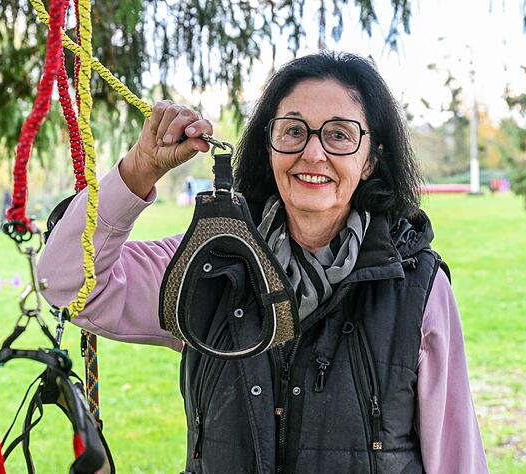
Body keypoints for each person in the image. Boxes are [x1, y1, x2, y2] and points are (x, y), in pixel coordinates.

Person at [38, 52, 488, 473]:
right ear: (268, 144)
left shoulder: (417, 286)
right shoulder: (206, 264)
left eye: (339, 135)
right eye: (293, 130)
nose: (313, 154)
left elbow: (455, 456)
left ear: (371, 160)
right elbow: (67, 283)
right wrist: (139, 169)